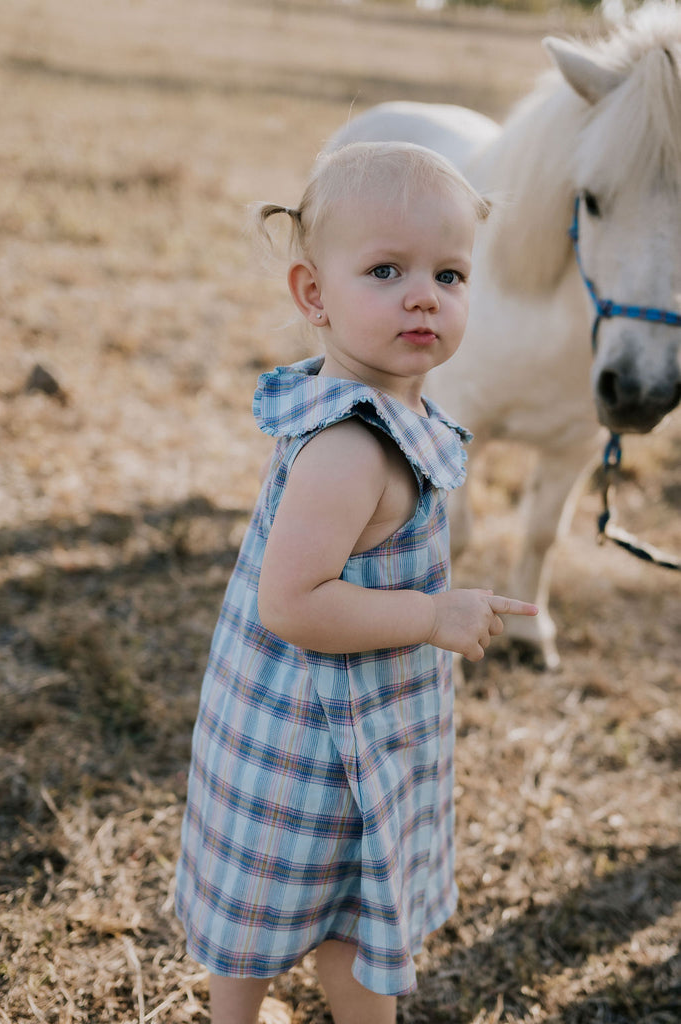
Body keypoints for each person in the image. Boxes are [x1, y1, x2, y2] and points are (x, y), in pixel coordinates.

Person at [175, 141, 538, 1024]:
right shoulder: (350, 448)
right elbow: (290, 600)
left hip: (321, 724)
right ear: (314, 295)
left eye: (449, 274)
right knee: (347, 931)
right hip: (316, 748)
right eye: (385, 270)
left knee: (279, 905)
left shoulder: (381, 405)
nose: (425, 294)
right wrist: (430, 612)